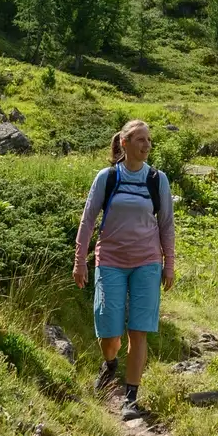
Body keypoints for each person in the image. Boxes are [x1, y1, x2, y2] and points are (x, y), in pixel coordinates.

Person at [73, 118, 175, 420]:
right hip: (111, 261)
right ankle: (110, 364)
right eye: (140, 140)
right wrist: (80, 261)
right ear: (125, 143)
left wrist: (169, 264)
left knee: (138, 331)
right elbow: (88, 219)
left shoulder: (158, 180)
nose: (147, 145)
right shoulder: (107, 177)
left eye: (149, 140)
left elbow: (167, 224)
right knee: (109, 331)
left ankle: (130, 398)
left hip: (147, 262)